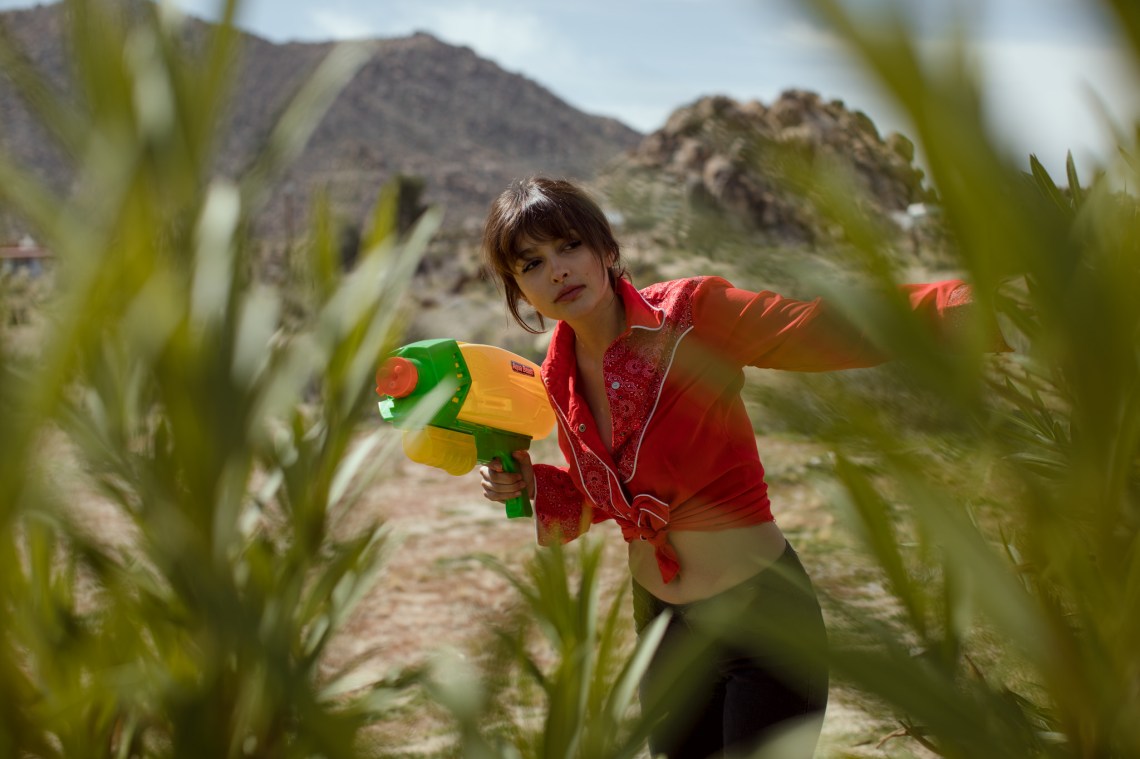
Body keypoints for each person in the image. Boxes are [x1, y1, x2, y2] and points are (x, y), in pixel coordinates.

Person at [478, 176, 993, 758]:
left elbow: (826, 326)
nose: (557, 271)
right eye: (532, 263)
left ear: (606, 249)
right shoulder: (557, 374)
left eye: (569, 245)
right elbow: (617, 496)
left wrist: (973, 307)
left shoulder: (691, 316)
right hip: (663, 627)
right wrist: (533, 485)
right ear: (518, 289)